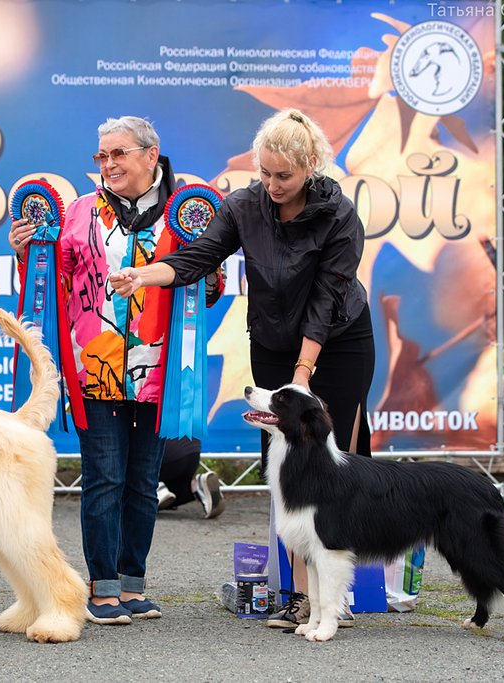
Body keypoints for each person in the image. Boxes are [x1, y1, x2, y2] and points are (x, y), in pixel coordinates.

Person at [109, 108, 375, 628]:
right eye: (265, 173)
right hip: (273, 341)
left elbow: (326, 300)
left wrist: (304, 373)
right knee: (287, 468)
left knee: (334, 467)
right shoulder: (244, 207)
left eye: (284, 176)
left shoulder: (340, 215)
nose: (272, 185)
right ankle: (300, 596)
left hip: (339, 341)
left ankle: (336, 598)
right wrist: (145, 275)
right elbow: (198, 257)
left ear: (311, 166)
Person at [9, 116, 186, 625]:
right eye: (101, 156)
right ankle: (102, 588)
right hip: (95, 368)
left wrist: (210, 277)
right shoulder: (81, 211)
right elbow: (55, 281)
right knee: (105, 479)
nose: (108, 164)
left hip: (158, 369)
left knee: (143, 481)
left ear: (150, 155)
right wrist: (26, 254)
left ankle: (133, 583)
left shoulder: (182, 214)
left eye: (118, 153)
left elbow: (203, 284)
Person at [157, 437, 225, 519]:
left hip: (166, 454)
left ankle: (155, 489)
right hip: (192, 453)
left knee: (145, 493)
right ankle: (196, 487)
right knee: (171, 492)